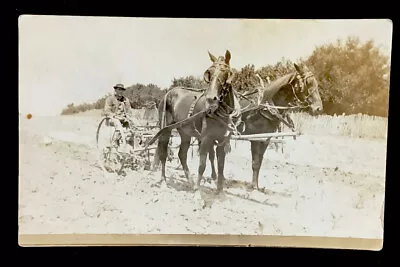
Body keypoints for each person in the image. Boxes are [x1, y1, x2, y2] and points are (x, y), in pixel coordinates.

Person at [102, 83, 135, 153]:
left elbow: (129, 111)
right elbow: (107, 111)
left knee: (133, 123)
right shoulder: (110, 99)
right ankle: (116, 143)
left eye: (122, 90)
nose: (121, 91)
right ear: (115, 90)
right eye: (119, 90)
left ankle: (132, 145)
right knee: (117, 122)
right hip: (112, 119)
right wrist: (114, 116)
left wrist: (128, 117)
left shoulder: (126, 100)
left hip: (123, 120)